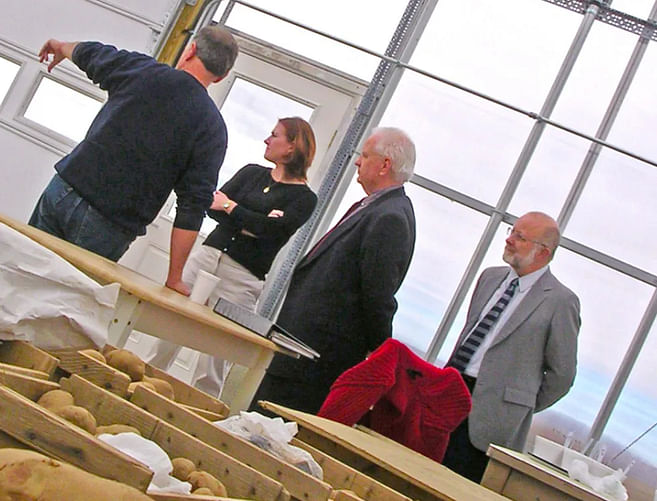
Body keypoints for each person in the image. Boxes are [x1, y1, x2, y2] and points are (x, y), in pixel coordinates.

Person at [28, 26, 238, 295]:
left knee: (22, 268)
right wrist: (174, 278)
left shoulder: (141, 70)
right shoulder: (211, 128)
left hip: (64, 190)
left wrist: (60, 46)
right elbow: (193, 205)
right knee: (61, 301)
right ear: (222, 76)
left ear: (192, 50)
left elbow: (90, 53)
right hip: (109, 224)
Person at [146, 117, 319, 397]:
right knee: (171, 328)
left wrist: (232, 208)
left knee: (217, 353)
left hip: (243, 277)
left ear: (291, 147)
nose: (267, 140)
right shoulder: (251, 173)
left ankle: (199, 411)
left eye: (274, 135)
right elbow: (211, 206)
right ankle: (145, 385)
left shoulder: (304, 199)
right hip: (207, 258)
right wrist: (248, 217)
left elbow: (271, 231)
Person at [251, 126, 417, 414]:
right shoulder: (375, 208)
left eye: (364, 156)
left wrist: (380, 357)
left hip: (316, 358)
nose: (357, 161)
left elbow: (377, 296)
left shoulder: (389, 217)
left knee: (268, 430)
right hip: (300, 348)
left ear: (385, 165)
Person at [442, 211, 580, 481]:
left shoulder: (560, 301)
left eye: (520, 237)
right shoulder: (489, 278)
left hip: (493, 417)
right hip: (449, 391)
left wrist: (520, 404)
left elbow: (562, 375)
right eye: (511, 231)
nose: (509, 240)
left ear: (543, 252)